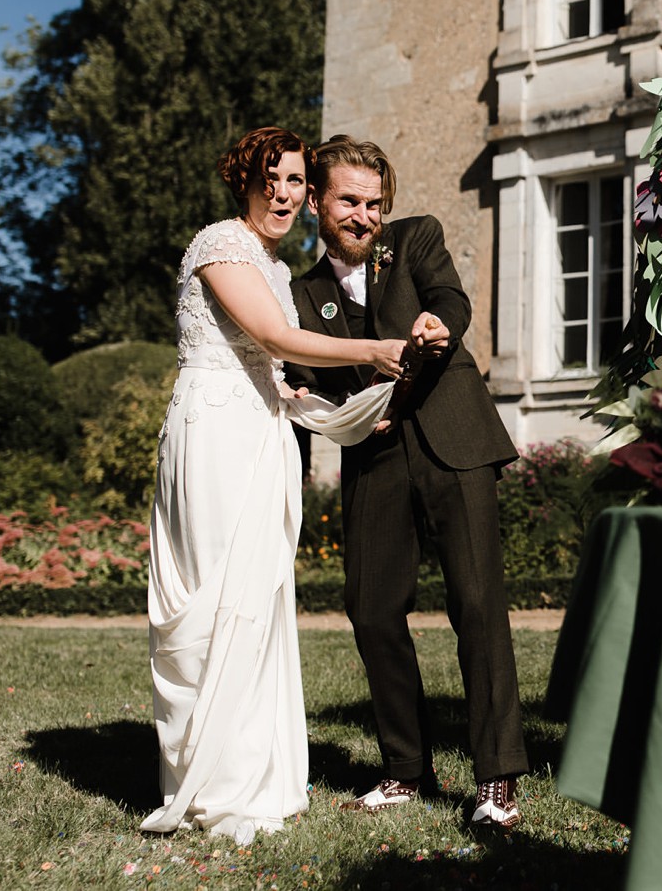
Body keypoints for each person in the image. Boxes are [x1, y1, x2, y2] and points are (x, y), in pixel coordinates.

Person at [141, 127, 442, 844]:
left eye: (296, 181)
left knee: (257, 597)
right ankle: (208, 780)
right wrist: (372, 349)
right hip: (214, 434)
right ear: (243, 181)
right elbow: (275, 339)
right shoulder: (221, 245)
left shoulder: (277, 269)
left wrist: (337, 412)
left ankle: (254, 773)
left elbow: (275, 373)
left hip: (263, 435)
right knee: (214, 598)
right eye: (269, 178)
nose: (283, 193)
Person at [285, 135, 528, 828]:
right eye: (349, 202)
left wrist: (438, 324)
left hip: (452, 438)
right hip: (373, 457)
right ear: (318, 204)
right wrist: (309, 400)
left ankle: (497, 778)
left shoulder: (416, 238)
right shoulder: (303, 293)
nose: (364, 215)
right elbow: (311, 380)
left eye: (373, 203)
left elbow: (451, 299)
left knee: (477, 604)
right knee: (370, 610)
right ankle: (405, 768)